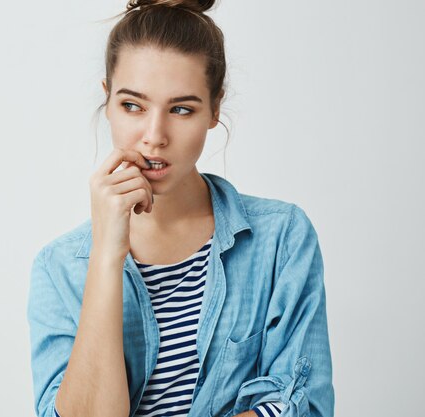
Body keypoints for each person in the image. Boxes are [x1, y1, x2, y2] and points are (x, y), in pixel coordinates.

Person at [27, 1, 335, 416]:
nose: (154, 136)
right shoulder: (60, 267)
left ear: (214, 109)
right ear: (108, 100)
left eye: (181, 109)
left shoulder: (281, 238)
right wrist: (105, 256)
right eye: (132, 105)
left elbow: (304, 406)